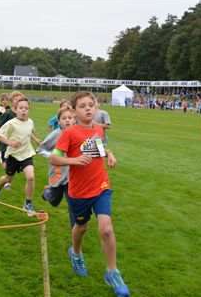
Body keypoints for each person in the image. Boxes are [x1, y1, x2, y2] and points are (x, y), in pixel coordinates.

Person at [50, 91, 129, 297]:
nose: (88, 108)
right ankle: (75, 253)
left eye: (91, 105)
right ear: (75, 112)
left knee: (106, 229)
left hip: (101, 186)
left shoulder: (98, 129)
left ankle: (112, 272)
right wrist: (74, 160)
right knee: (81, 227)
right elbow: (54, 159)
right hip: (79, 192)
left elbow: (99, 147)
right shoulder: (69, 133)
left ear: (96, 107)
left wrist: (109, 154)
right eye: (82, 106)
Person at [0, 97, 38, 216]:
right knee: (8, 179)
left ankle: (28, 203)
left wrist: (35, 139)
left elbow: (28, 132)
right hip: (13, 156)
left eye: (26, 108)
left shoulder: (30, 122)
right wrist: (10, 143)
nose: (24, 110)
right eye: (21, 108)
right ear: (16, 109)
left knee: (30, 177)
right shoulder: (11, 124)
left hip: (26, 154)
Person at [37, 106, 76, 228]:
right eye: (64, 118)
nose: (67, 120)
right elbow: (40, 149)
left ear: (74, 119)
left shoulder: (77, 133)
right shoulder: (55, 135)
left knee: (73, 207)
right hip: (58, 174)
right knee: (54, 201)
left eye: (70, 118)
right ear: (58, 121)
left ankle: (75, 243)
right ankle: (46, 193)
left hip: (73, 177)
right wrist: (51, 155)